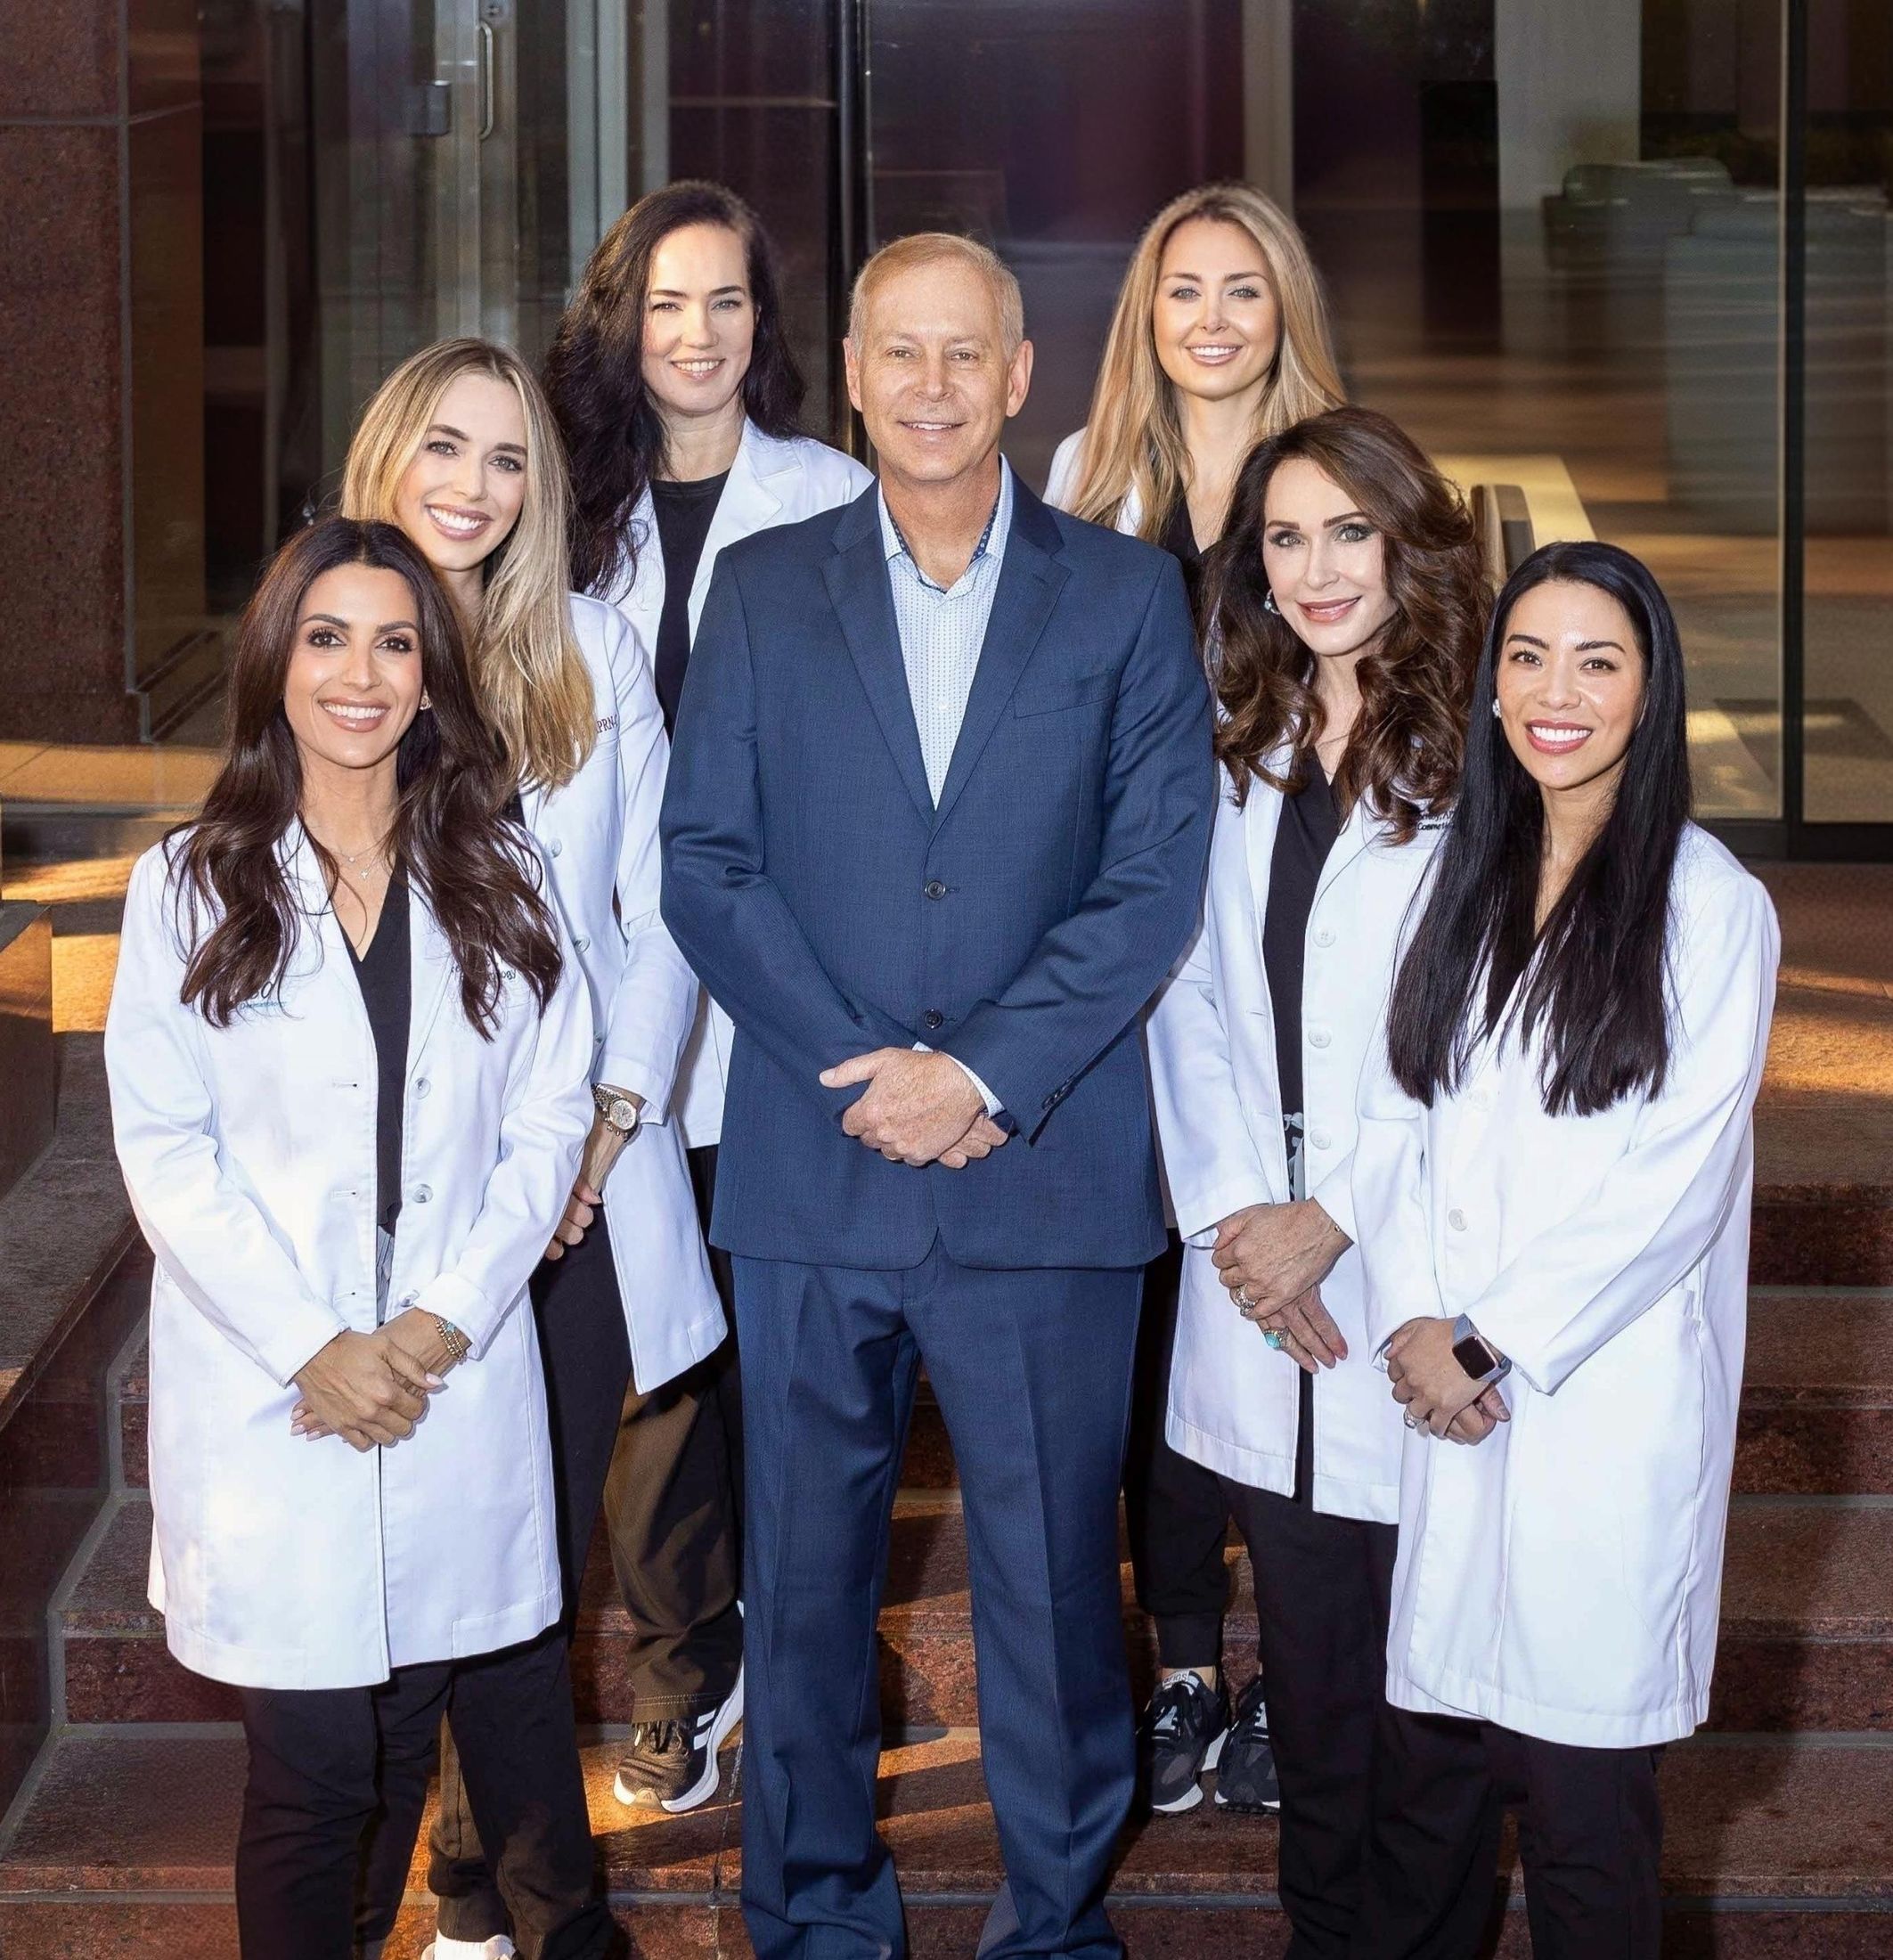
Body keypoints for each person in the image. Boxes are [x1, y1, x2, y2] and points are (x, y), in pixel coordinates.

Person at [660, 232, 1214, 1959]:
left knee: (1053, 1589)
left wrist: (978, 1070)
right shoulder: (759, 584)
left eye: (963, 353)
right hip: (816, 1179)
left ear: (1020, 370)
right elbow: (707, 860)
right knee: (809, 1589)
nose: (931, 384)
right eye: (899, 352)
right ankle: (818, 1916)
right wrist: (869, 1075)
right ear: (850, 365)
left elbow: (1150, 878)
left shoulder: (1121, 596)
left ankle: (1054, 1919)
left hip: (1039, 1177)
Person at [102, 518, 612, 1960]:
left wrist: (438, 1322)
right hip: (282, 1400)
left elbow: (546, 1117)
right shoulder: (186, 886)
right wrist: (317, 1346)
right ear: (274, 664)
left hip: (449, 1370)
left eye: (395, 642)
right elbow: (168, 1153)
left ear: (432, 679)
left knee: (411, 1744)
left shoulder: (501, 870)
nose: (360, 673)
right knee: (316, 1780)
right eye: (326, 637)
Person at [339, 338, 722, 1952]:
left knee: (530, 1555)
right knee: (427, 1543)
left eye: (507, 460)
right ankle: (479, 1894)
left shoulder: (590, 648)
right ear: (386, 456)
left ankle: (496, 1900)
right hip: (384, 1184)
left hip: (571, 1187)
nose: (474, 488)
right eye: (446, 447)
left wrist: (614, 1120)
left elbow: (661, 912)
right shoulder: (338, 641)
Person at [1350, 541, 1780, 1957]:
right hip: (1449, 1405)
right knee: (1428, 1800)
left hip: (1597, 1407)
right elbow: (1396, 1121)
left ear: (1650, 694)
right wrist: (1420, 1324)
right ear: (1485, 690)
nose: (1555, 692)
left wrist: (1489, 1338)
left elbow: (1677, 1181)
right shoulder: (1455, 878)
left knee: (1589, 1830)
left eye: (1597, 662)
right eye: (1526, 656)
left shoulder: (1709, 902)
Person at [542, 180, 871, 1809]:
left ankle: (786, 1649)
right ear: (622, 320)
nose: (696, 335)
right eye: (665, 305)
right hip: (591, 1010)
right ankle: (683, 1666)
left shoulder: (829, 495)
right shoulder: (550, 503)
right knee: (651, 1363)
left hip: (780, 1005)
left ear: (765, 323)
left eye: (726, 302)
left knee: (771, 1349)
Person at [1145, 405, 1488, 1947]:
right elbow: (1188, 995)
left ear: (1408, 541)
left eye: (1348, 531)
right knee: (1315, 1703)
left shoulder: (1489, 751)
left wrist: (1332, 1216)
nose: (1316, 568)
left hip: (1407, 1274)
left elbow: (1479, 1028)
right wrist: (1239, 1227)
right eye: (1285, 538)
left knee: (1430, 1717)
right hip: (1262, 1289)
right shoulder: (1239, 739)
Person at [1046, 181, 1344, 1813]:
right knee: (1161, 1325)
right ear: (1143, 318)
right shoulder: (1085, 487)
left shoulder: (1347, 479)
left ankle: (1302, 1677)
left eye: (1243, 289)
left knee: (1293, 1295)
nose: (1213, 319)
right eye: (1183, 291)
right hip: (1131, 948)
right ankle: (1177, 1663)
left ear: (1283, 308)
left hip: (1301, 929)